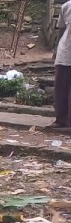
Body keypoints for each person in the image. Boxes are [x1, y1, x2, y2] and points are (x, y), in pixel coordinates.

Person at [55, 0, 71, 130]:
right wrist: (56, 51)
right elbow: (61, 30)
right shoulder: (67, 6)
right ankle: (61, 119)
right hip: (66, 52)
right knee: (61, 88)